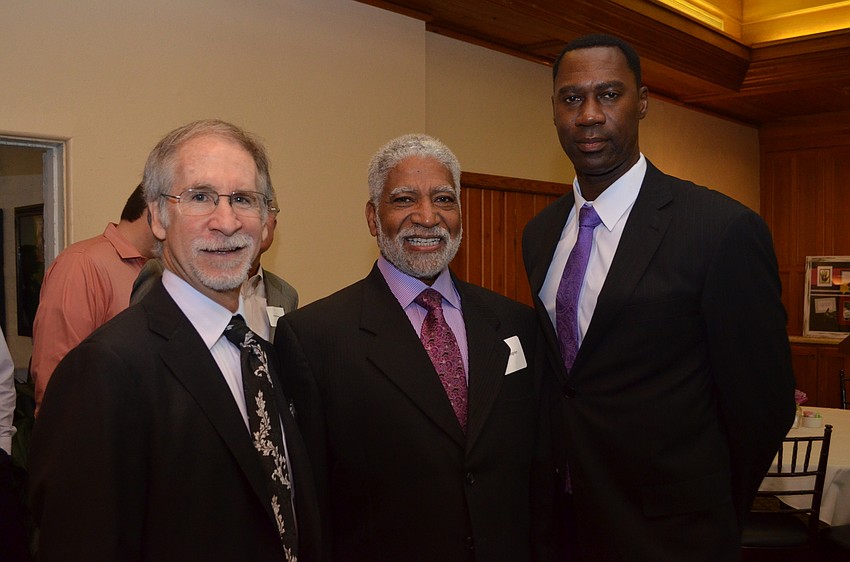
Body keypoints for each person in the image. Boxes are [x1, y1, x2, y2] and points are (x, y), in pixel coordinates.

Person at [522, 34, 796, 561]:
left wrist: (711, 511)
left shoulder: (719, 229)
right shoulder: (540, 234)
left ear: (642, 101)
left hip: (674, 534)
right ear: (554, 109)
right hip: (564, 525)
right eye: (572, 98)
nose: (589, 115)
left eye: (609, 94)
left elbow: (763, 405)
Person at [29, 119, 324, 561]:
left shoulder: (262, 353)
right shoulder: (105, 369)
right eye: (199, 197)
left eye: (243, 199)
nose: (226, 222)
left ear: (266, 221)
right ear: (157, 217)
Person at [274, 134, 555, 562]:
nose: (427, 217)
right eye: (404, 200)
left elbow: (540, 475)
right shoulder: (315, 338)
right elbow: (312, 507)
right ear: (373, 218)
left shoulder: (517, 323)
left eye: (443, 199)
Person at [31, 184, 156, 415]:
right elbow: (57, 372)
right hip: (90, 429)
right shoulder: (81, 263)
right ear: (155, 212)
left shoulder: (157, 270)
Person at [131, 200, 298, 341]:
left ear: (273, 225)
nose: (260, 219)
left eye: (267, 208)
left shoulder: (285, 294)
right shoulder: (164, 273)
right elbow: (137, 342)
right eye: (246, 203)